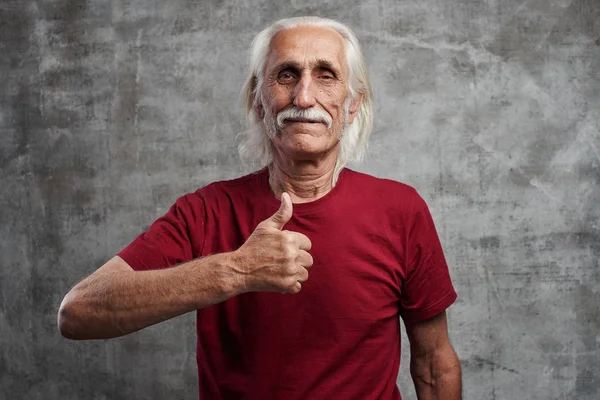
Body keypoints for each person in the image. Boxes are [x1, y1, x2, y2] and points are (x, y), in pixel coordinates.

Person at [58, 16, 461, 400]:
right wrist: (234, 271)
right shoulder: (205, 211)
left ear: (353, 103)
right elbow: (78, 313)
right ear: (258, 100)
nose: (304, 97)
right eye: (286, 75)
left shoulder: (401, 210)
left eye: (326, 75)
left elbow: (432, 363)